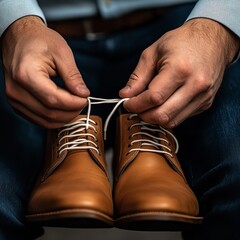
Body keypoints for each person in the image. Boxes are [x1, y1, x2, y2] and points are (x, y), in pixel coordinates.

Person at [0, 0, 240, 239]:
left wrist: (217, 26)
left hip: (185, 27)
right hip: (36, 34)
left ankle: (146, 133)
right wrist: (13, 22)